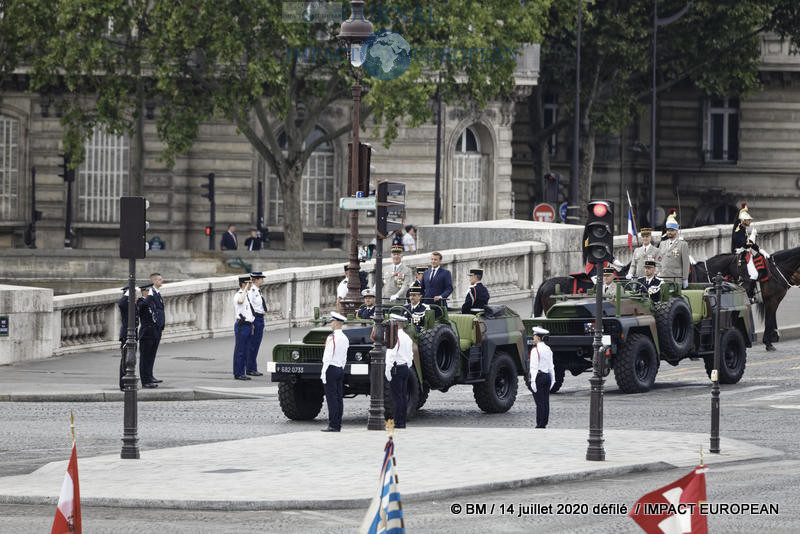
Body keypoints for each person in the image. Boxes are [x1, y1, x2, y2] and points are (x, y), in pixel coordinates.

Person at [321, 312, 349, 432]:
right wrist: (341, 367)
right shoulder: (345, 337)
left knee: (331, 398)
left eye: (332, 321)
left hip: (331, 368)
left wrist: (323, 372)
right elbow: (344, 357)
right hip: (339, 368)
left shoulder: (332, 337)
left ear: (336, 323)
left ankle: (333, 424)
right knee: (338, 398)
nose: (331, 324)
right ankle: (338, 423)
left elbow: (328, 356)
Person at [385, 314, 414, 429]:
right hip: (405, 368)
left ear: (396, 324)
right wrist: (407, 365)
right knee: (402, 396)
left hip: (396, 369)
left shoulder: (395, 337)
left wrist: (388, 369)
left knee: (396, 397)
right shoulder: (407, 337)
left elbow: (391, 354)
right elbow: (410, 355)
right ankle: (402, 422)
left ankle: (397, 421)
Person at [529, 326, 555, 428]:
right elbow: (551, 366)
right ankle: (544, 422)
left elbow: (533, 367)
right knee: (545, 401)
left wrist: (533, 381)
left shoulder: (535, 350)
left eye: (534, 335)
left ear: (538, 338)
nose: (533, 337)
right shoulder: (548, 349)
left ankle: (539, 424)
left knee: (539, 402)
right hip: (547, 376)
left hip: (539, 377)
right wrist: (553, 379)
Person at [656, 210, 690, 288]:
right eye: (668, 230)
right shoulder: (662, 244)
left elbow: (686, 263)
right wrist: (657, 273)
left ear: (676, 231)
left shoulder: (683, 244)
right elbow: (658, 260)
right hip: (662, 279)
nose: (669, 232)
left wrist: (685, 278)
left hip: (675, 280)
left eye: (672, 230)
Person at [731, 203, 760, 284]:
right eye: (748, 219)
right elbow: (745, 245)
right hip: (742, 257)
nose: (750, 221)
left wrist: (761, 250)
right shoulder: (738, 231)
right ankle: (750, 295)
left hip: (747, 254)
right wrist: (753, 236)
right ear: (743, 220)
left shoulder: (744, 229)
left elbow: (751, 245)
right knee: (754, 275)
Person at [137, 283, 159, 388]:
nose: (151, 293)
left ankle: (149, 376)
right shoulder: (141, 301)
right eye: (148, 291)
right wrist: (149, 297)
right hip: (146, 333)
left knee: (151, 357)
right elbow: (142, 307)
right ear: (144, 291)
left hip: (153, 332)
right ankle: (145, 381)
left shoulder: (151, 301)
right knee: (144, 358)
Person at [233, 276, 254, 380]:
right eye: (249, 283)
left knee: (245, 350)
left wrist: (252, 325)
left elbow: (248, 312)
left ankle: (242, 372)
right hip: (241, 325)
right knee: (240, 350)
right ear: (243, 284)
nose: (251, 285)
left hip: (248, 325)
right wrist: (245, 289)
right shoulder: (239, 295)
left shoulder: (247, 296)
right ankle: (238, 373)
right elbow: (240, 302)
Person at [246, 271, 267, 377]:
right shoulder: (252, 291)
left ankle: (252, 367)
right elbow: (249, 307)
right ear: (257, 279)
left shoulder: (257, 290)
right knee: (253, 345)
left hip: (260, 319)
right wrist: (252, 322)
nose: (262, 280)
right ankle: (250, 368)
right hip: (255, 319)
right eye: (261, 278)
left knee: (256, 344)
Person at [118, 286, 138, 390]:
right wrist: (127, 294)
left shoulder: (132, 303)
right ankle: (124, 383)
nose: (135, 295)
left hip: (133, 335)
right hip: (126, 335)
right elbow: (121, 304)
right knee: (125, 360)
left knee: (130, 360)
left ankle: (128, 382)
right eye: (134, 293)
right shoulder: (125, 303)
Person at [148, 273, 165, 384]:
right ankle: (147, 377)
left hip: (158, 328)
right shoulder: (151, 293)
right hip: (152, 328)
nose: (161, 281)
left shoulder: (157, 293)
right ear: (153, 281)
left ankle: (150, 375)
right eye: (159, 279)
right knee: (148, 354)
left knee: (152, 354)